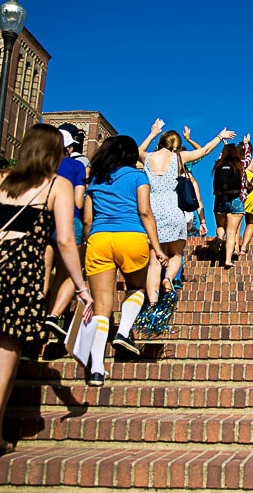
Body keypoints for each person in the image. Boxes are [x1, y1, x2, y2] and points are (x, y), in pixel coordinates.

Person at [0, 124, 93, 493]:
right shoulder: (56, 185)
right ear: (56, 152)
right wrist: (82, 287)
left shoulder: (0, 180)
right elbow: (64, 240)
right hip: (20, 275)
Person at [82, 135, 162, 382]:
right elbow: (145, 211)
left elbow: (87, 219)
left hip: (99, 239)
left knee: (101, 306)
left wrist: (88, 241)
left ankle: (96, 367)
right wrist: (157, 248)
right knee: (136, 288)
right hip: (132, 237)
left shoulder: (95, 179)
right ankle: (124, 332)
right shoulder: (138, 176)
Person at [138, 120, 233, 299]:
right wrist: (220, 136)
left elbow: (137, 152)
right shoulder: (179, 158)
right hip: (174, 211)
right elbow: (204, 151)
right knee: (176, 253)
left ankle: (151, 302)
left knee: (153, 262)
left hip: (152, 213)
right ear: (177, 145)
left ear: (161, 142)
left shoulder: (147, 158)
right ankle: (168, 279)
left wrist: (153, 133)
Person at [43, 128, 88, 337]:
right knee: (70, 271)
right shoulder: (76, 166)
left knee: (44, 273)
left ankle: (37, 314)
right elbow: (79, 201)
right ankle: (53, 315)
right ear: (69, 148)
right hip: (70, 220)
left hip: (43, 222)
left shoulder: (41, 165)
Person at [213, 140, 249, 267]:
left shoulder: (218, 164)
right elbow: (248, 156)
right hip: (235, 200)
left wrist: (224, 147)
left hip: (219, 199)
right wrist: (246, 144)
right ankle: (228, 260)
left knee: (221, 226)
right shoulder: (240, 164)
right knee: (232, 231)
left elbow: (221, 156)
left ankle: (219, 237)